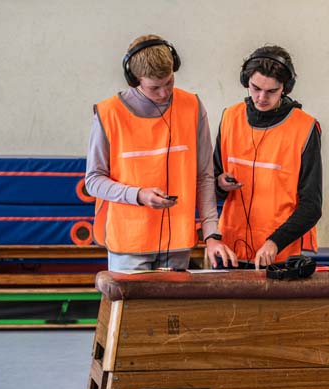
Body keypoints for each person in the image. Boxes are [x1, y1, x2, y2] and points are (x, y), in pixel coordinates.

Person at [86, 34, 237, 271]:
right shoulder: (109, 114)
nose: (164, 93)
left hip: (177, 244)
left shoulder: (192, 107)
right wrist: (138, 195)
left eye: (169, 83)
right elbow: (93, 181)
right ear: (134, 80)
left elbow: (204, 177)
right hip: (128, 244)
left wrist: (212, 234)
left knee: (171, 310)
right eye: (154, 88)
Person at [213, 45, 322, 269]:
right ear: (246, 81)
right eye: (255, 88)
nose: (261, 98)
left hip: (278, 257)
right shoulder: (230, 118)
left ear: (286, 88)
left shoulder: (305, 127)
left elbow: (312, 206)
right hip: (228, 253)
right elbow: (210, 183)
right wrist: (220, 184)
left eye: (272, 91)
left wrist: (275, 242)